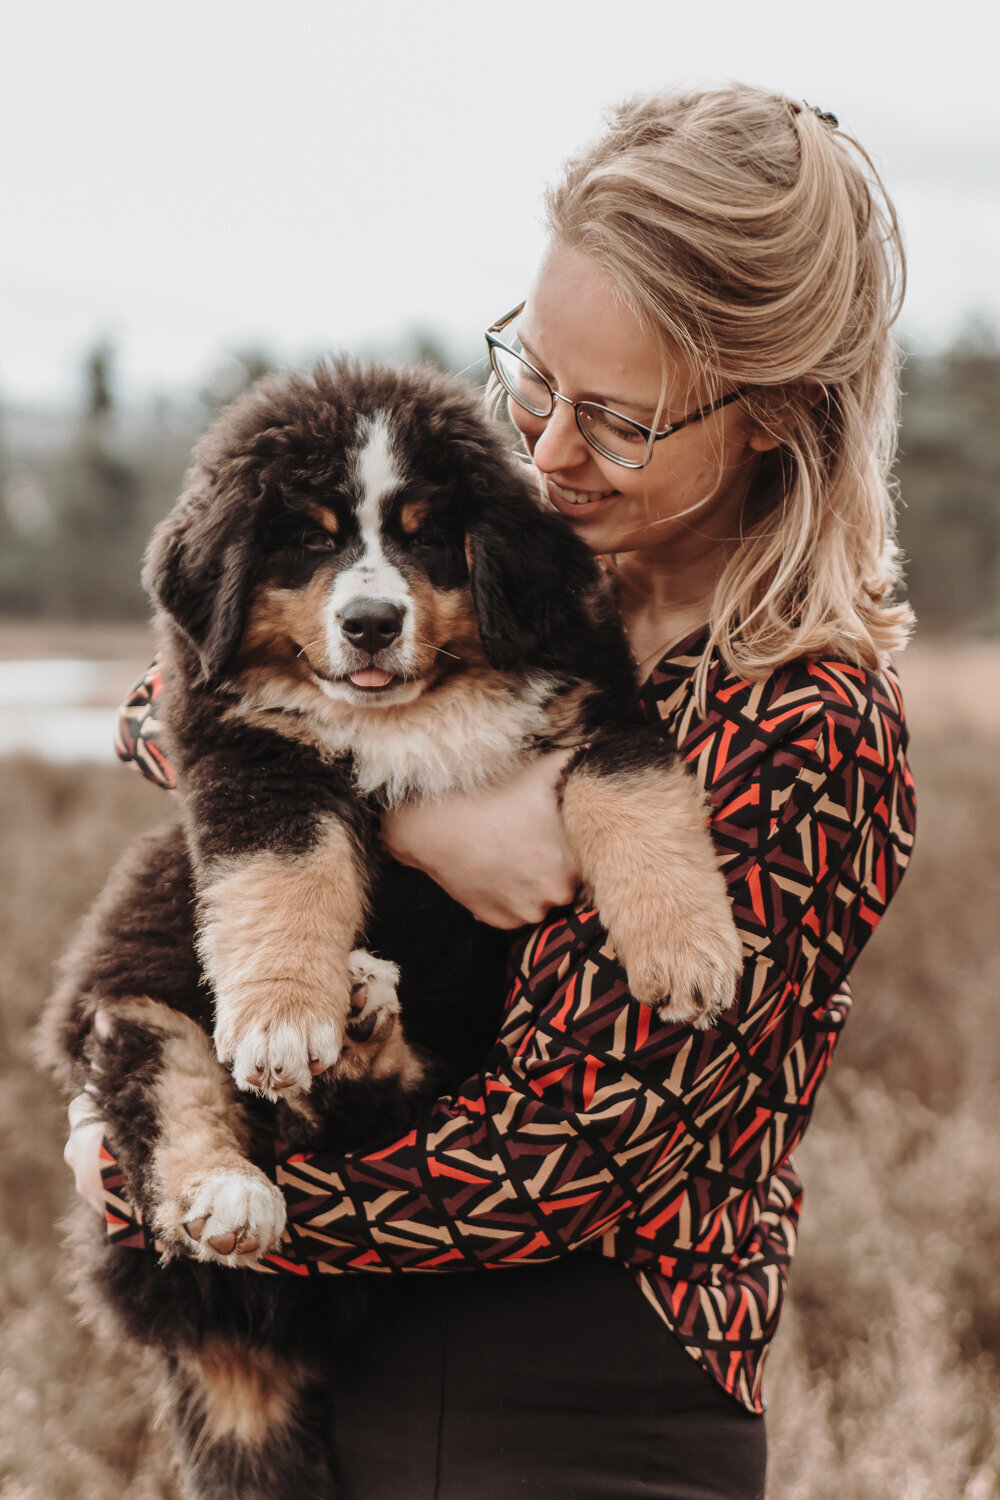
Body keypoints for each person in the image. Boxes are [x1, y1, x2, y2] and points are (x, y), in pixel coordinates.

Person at [65, 83, 916, 1499]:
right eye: (533, 379)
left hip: (577, 1410)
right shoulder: (515, 565)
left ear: (772, 410)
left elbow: (566, 1156)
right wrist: (420, 813)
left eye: (621, 420)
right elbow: (183, 696)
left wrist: (188, 1195)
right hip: (348, 1359)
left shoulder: (807, 723)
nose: (552, 451)